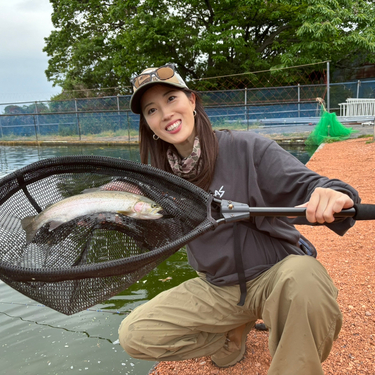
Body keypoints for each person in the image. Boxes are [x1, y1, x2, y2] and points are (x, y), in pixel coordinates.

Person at [118, 64, 360, 375]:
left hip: (275, 276)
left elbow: (310, 185)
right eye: (152, 110)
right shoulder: (160, 182)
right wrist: (116, 217)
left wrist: (333, 193)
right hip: (217, 288)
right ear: (149, 124)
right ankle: (228, 337)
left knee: (305, 278)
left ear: (192, 100)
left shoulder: (246, 147)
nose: (165, 114)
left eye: (171, 99)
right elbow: (158, 235)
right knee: (135, 335)